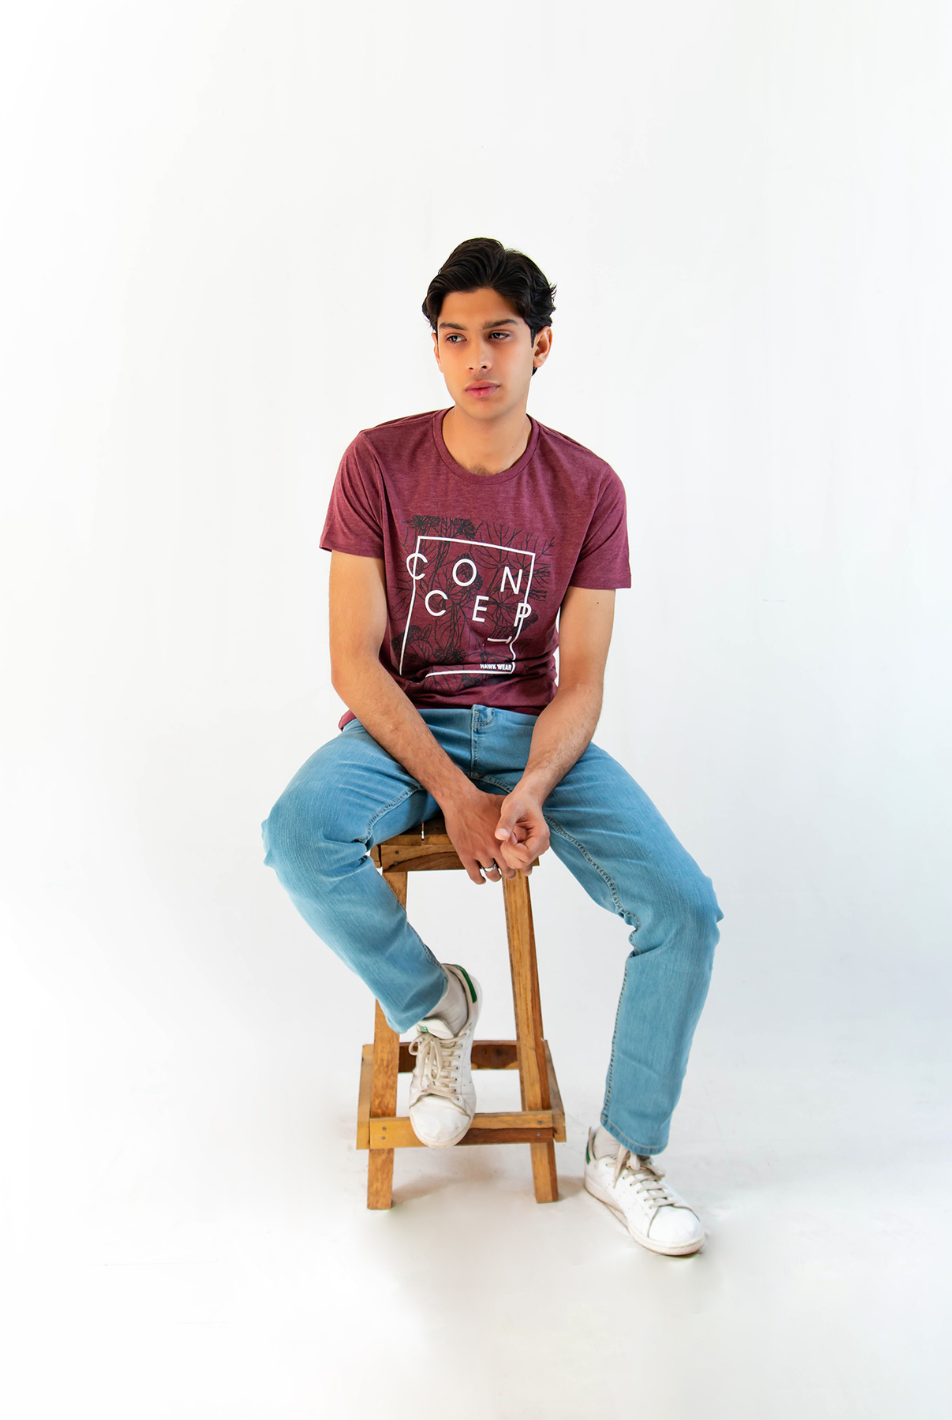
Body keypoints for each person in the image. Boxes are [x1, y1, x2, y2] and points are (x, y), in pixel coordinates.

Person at [262, 238, 722, 1256]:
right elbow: (352, 663)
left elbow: (582, 678)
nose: (477, 358)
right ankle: (435, 1004)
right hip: (402, 730)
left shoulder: (588, 487)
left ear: (540, 346)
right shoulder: (377, 462)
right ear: (435, 348)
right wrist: (454, 794)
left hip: (530, 734)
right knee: (296, 832)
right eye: (455, 337)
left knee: (684, 907)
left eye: (500, 336)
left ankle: (624, 1153)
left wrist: (533, 786)